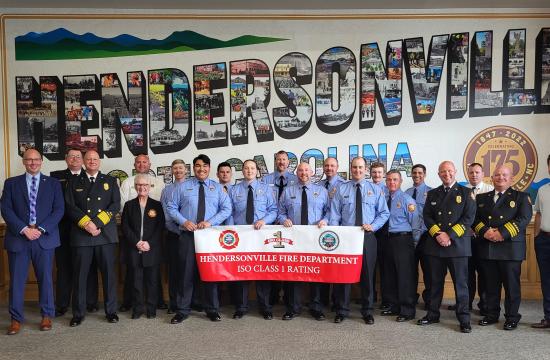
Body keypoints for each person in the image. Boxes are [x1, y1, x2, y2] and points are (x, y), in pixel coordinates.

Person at [1, 148, 64, 335]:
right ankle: (15, 319)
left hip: (44, 238)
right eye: (29, 160)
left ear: (41, 161)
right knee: (17, 281)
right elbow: (6, 209)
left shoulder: (53, 184)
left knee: (45, 279)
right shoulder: (11, 183)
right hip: (19, 238)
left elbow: (59, 210)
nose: (33, 163)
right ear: (24, 162)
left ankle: (46, 315)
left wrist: (40, 229)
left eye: (36, 159)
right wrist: (24, 229)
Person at [165, 154, 232, 323]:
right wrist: (184, 221)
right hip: (188, 235)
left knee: (210, 273)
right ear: (193, 168)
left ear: (209, 168)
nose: (201, 169)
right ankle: (182, 310)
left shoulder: (217, 188)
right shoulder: (183, 187)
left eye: (204, 166)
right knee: (185, 273)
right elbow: (172, 208)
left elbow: (226, 209)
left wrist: (211, 222)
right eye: (197, 166)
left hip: (209, 237)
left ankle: (212, 309)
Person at [417, 161, 475, 333]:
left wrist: (448, 235)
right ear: (438, 173)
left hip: (457, 246)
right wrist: (438, 234)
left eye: (449, 171)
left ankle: (464, 318)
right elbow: (427, 216)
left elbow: (468, 218)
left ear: (455, 171)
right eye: (443, 171)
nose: (446, 174)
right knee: (435, 283)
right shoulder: (432, 194)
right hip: (436, 246)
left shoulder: (466, 193)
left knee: (461, 284)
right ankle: (432, 314)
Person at [329, 157, 389, 324]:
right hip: (346, 238)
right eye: (354, 167)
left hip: (367, 237)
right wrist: (337, 234)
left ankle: (367, 310)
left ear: (365, 169)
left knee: (368, 275)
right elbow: (334, 215)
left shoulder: (375, 190)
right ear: (351, 168)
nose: (357, 170)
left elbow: (384, 213)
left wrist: (374, 226)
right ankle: (342, 310)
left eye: (360, 167)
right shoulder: (341, 189)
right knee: (344, 275)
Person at [65, 150, 120, 327]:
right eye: (88, 159)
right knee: (80, 276)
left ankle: (111, 311)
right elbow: (69, 206)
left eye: (95, 159)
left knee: (109, 276)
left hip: (105, 235)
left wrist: (96, 224)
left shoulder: (110, 181)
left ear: (99, 162)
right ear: (84, 162)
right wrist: (86, 223)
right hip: (81, 236)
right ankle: (78, 313)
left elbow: (115, 205)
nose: (91, 161)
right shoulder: (73, 181)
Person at [474, 165, 532, 330]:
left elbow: (523, 219)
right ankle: (491, 314)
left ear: (511, 178)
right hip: (488, 246)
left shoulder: (522, 197)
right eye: (497, 175)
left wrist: (502, 233)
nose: (501, 177)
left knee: (511, 286)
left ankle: (512, 317)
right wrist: (485, 232)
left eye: (504, 175)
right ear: (492, 178)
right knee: (490, 285)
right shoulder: (481, 198)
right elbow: (475, 219)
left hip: (510, 248)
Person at [50, 149, 99, 317]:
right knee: (64, 267)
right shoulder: (55, 177)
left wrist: (89, 224)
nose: (75, 159)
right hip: (63, 229)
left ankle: (91, 302)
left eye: (78, 156)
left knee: (89, 267)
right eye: (71, 156)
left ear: (83, 160)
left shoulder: (92, 176)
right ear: (66, 159)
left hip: (85, 230)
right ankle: (62, 304)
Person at [226, 159, 277, 319]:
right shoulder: (234, 190)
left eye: (252, 168)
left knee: (262, 273)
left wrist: (264, 221)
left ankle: (265, 307)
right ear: (242, 171)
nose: (249, 171)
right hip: (241, 237)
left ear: (257, 171)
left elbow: (274, 210)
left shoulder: (266, 189)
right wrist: (232, 230)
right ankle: (241, 307)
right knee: (242, 272)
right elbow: (229, 212)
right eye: (246, 168)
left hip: (261, 236)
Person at [278, 162, 329, 320]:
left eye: (306, 170)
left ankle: (316, 307)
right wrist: (283, 220)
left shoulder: (322, 191)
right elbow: (280, 212)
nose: (303, 173)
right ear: (296, 172)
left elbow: (329, 211)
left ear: (312, 172)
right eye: (300, 170)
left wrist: (325, 220)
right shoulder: (288, 191)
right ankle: (293, 308)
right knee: (294, 273)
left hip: (315, 238)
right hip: (295, 238)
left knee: (316, 273)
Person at [119, 154, 166, 312]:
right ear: (135, 186)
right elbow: (125, 226)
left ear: (150, 186)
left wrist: (149, 243)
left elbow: (159, 227)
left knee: (153, 280)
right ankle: (137, 309)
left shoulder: (157, 205)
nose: (142, 188)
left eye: (145, 185)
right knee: (135, 280)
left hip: (152, 247)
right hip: (134, 246)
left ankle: (152, 309)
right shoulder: (129, 205)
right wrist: (137, 242)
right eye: (139, 185)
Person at [381, 170, 422, 322]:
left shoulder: (407, 200)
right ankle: (393, 305)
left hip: (403, 240)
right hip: (387, 240)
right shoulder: (383, 198)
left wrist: (413, 244)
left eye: (395, 180)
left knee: (405, 276)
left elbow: (416, 224)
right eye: (389, 180)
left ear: (400, 181)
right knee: (390, 275)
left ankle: (407, 310)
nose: (392, 182)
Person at [261, 150, 298, 305]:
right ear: (275, 161)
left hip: (289, 225)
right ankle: (273, 297)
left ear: (288, 162)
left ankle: (289, 297)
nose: (281, 162)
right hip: (270, 225)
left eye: (284, 159)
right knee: (272, 262)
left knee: (289, 263)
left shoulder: (296, 179)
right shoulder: (266, 179)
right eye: (278, 159)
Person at [462, 162, 494, 314]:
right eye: (471, 172)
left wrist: (480, 230)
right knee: (467, 273)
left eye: (477, 172)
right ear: (467, 174)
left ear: (483, 174)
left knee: (484, 273)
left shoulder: (490, 190)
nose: (474, 175)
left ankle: (484, 305)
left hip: (483, 239)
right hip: (465, 238)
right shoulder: (463, 191)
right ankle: (465, 303)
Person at [160, 159, 188, 314]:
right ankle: (174, 303)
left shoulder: (193, 186)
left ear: (186, 170)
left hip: (191, 235)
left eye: (181, 168)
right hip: (173, 234)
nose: (178, 170)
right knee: (174, 271)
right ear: (171, 171)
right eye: (175, 168)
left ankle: (190, 301)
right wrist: (177, 229)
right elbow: (165, 213)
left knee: (189, 270)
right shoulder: (167, 190)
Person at [318, 157, 346, 308]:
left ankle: (336, 301)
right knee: (322, 267)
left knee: (336, 268)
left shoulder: (344, 185)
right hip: (321, 230)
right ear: (323, 167)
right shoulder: (319, 186)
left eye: (332, 165)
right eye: (327, 165)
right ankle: (322, 300)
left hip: (338, 232)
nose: (329, 168)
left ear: (337, 167)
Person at [405, 164, 432, 309]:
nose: (417, 175)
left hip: (426, 236)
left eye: (420, 173)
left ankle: (429, 299)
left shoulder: (432, 192)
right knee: (411, 270)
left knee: (428, 270)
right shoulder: (407, 193)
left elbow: (432, 216)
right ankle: (411, 297)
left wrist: (421, 230)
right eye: (414, 173)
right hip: (410, 237)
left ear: (425, 174)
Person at [532, 155, 550, 329]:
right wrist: (536, 236)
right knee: (546, 280)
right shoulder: (543, 190)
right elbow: (538, 213)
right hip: (544, 240)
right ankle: (548, 318)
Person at [370, 161, 390, 310]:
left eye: (379, 172)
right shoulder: (366, 188)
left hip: (383, 233)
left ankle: (385, 299)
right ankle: (370, 294)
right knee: (368, 266)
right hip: (367, 231)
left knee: (384, 267)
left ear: (384, 174)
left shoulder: (389, 189)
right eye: (374, 172)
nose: (377, 175)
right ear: (370, 173)